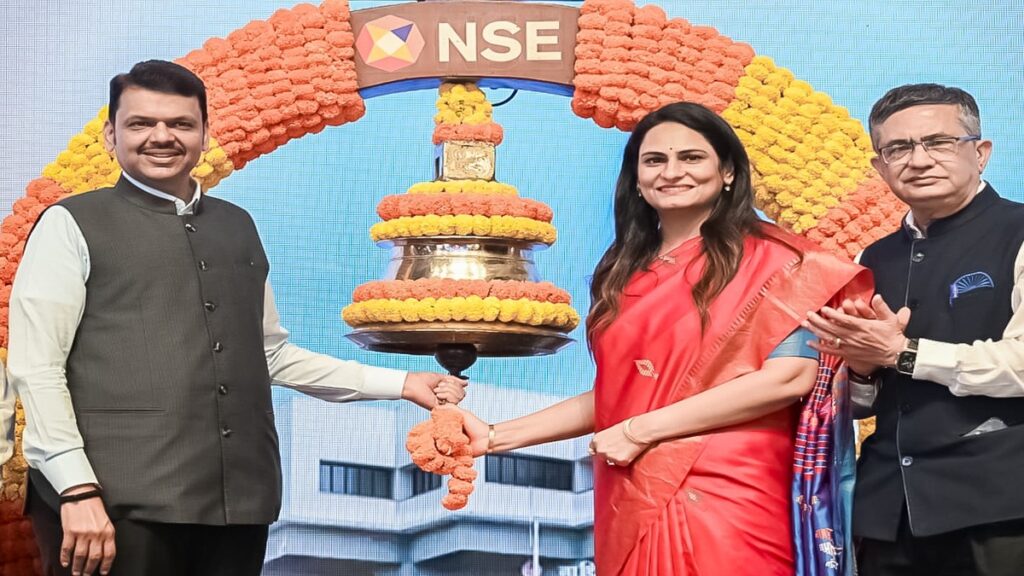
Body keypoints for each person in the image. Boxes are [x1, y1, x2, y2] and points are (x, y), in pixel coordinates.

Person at [7, 60, 466, 576]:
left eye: (181, 124)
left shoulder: (237, 225)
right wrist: (75, 489)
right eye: (141, 124)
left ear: (205, 135)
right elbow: (37, 368)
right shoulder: (70, 223)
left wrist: (403, 384)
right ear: (111, 137)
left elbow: (269, 354)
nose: (162, 137)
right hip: (110, 506)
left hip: (238, 503)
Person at [458, 102, 872, 575]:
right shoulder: (625, 273)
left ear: (729, 172)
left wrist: (639, 431)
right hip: (632, 484)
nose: (672, 172)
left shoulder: (778, 262)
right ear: (637, 179)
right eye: (655, 160)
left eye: (691, 157)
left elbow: (788, 378)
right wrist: (496, 437)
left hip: (731, 492)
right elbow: (620, 395)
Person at [804, 84, 1024, 575]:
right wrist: (861, 371)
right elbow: (863, 401)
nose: (918, 160)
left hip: (999, 507)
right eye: (898, 148)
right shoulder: (872, 257)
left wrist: (903, 352)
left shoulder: (1017, 231)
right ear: (879, 167)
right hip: (888, 512)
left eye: (939, 142)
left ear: (981, 153)